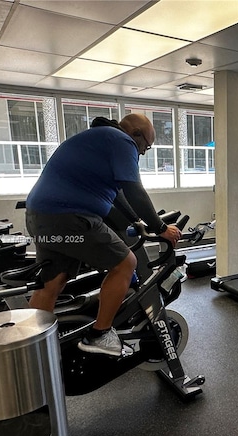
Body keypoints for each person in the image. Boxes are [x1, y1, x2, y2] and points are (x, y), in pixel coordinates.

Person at [25, 113, 181, 356]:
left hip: (41, 217)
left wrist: (137, 222)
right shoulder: (122, 141)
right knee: (125, 264)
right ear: (136, 134)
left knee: (52, 281)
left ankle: (31, 347)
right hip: (71, 218)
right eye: (145, 147)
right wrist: (160, 228)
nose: (142, 153)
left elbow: (118, 195)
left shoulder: (99, 138)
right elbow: (134, 190)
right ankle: (101, 334)